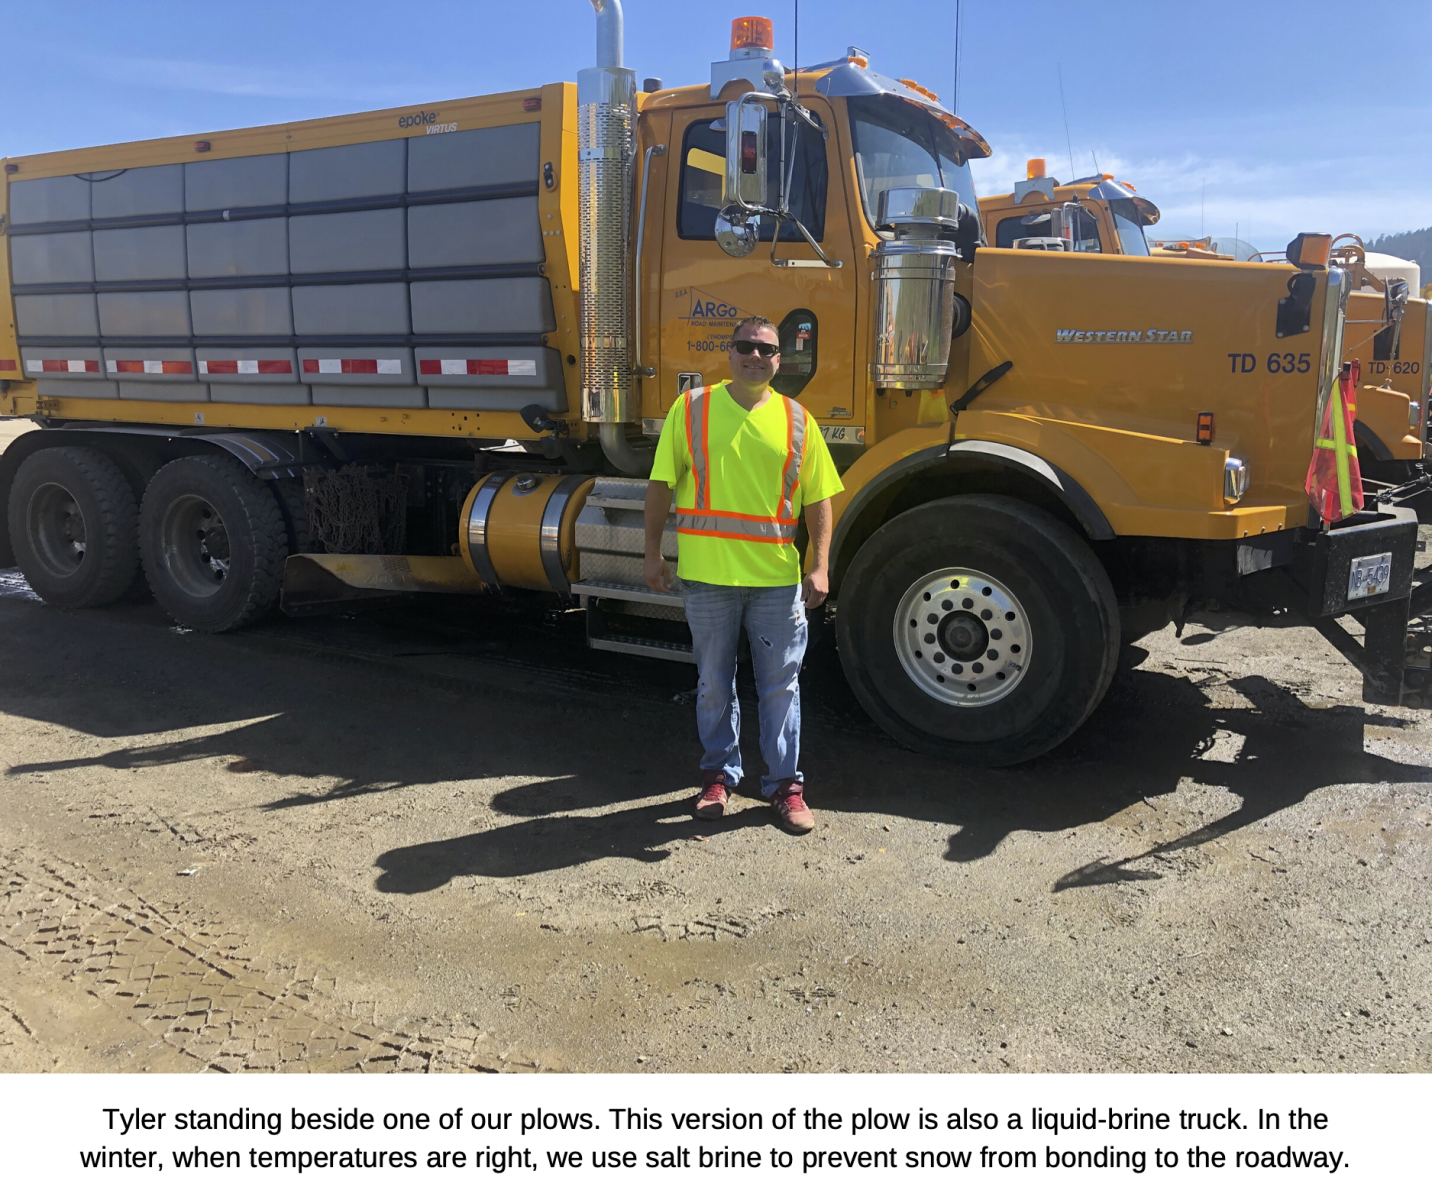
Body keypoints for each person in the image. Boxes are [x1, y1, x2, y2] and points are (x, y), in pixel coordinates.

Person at [643, 316, 843, 834]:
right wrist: (651, 553)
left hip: (775, 581)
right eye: (745, 346)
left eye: (767, 349)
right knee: (714, 684)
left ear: (781, 359)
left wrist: (819, 565)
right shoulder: (691, 409)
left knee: (781, 686)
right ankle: (718, 778)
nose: (756, 356)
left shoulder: (798, 419)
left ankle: (784, 788)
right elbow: (662, 485)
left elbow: (819, 498)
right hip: (709, 577)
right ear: (728, 353)